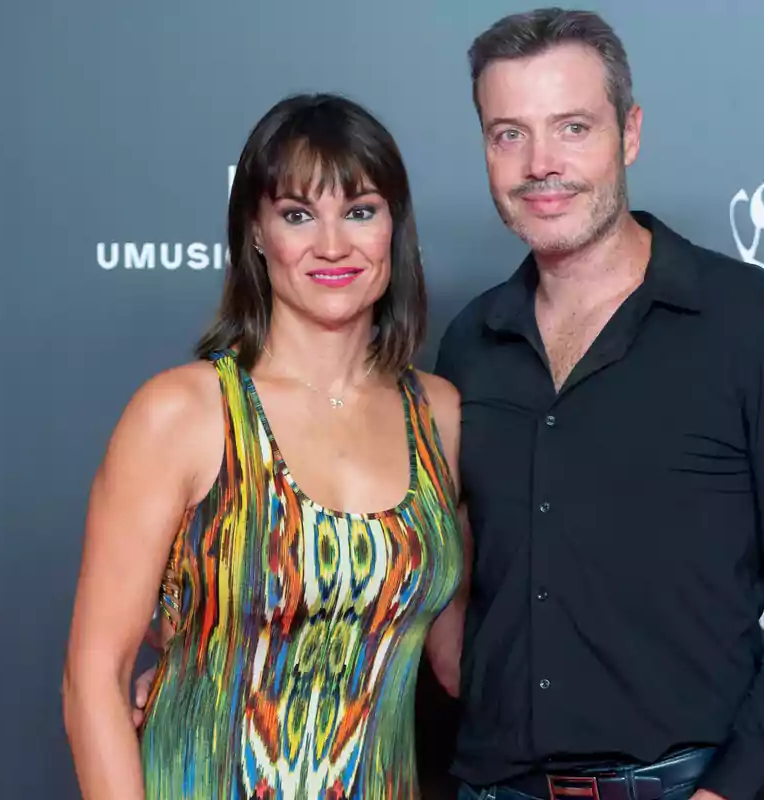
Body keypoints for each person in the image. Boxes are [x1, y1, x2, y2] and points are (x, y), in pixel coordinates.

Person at [428, 8, 764, 800]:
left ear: (628, 134)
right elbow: (444, 564)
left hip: (680, 784)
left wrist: (733, 786)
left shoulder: (755, 324)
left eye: (571, 127)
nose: (540, 164)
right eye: (508, 134)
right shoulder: (469, 342)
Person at [62, 92, 468, 799]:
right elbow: (92, 679)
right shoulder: (185, 412)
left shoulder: (441, 415)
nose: (333, 245)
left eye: (361, 211)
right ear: (255, 230)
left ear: (393, 229)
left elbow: (460, 658)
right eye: (298, 214)